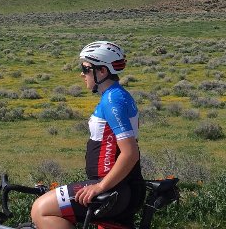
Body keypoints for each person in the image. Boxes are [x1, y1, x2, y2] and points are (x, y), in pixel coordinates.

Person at [31, 41, 144, 229]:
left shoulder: (112, 100)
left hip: (113, 188)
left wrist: (100, 187)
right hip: (118, 186)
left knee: (41, 209)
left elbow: (130, 153)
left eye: (85, 68)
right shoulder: (116, 95)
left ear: (102, 71)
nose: (81, 74)